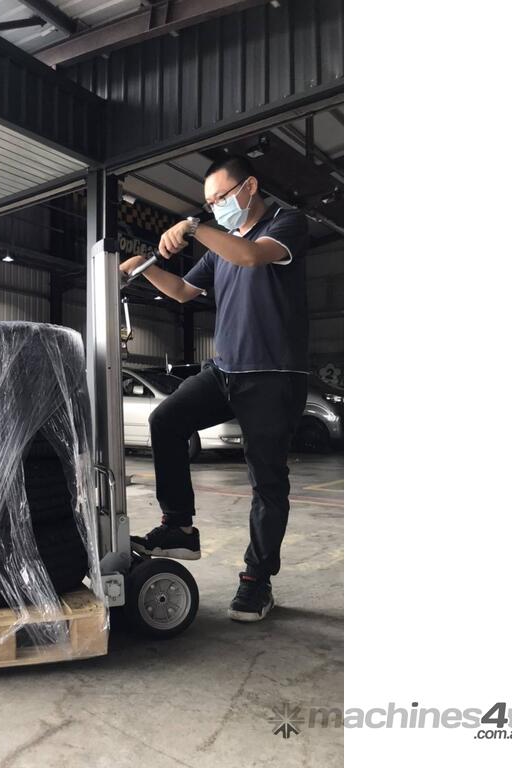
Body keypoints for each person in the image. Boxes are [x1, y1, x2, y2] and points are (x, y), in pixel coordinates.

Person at [120, 153, 309, 622]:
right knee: (166, 420)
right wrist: (143, 266)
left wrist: (192, 227)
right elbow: (183, 291)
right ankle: (179, 527)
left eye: (220, 197)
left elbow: (250, 256)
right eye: (209, 203)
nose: (215, 207)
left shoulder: (286, 224)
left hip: (273, 375)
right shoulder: (218, 250)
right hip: (224, 371)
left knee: (266, 481)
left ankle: (257, 580)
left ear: (249, 187)